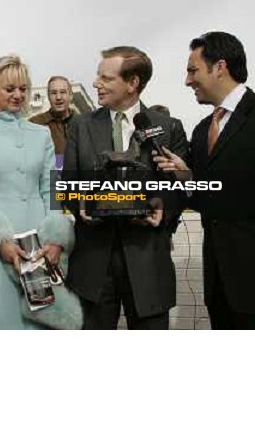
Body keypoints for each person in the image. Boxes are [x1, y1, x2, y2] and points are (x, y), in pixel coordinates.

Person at [154, 31, 255, 329]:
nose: (187, 80)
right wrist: (188, 179)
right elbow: (208, 200)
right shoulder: (203, 130)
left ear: (220, 67)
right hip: (219, 290)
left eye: (192, 70)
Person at [63, 46, 189, 330]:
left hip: (148, 266)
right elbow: (68, 185)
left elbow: (182, 189)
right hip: (93, 269)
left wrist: (163, 207)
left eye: (106, 78)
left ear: (132, 83)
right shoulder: (80, 127)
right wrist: (79, 201)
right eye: (98, 76)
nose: (97, 83)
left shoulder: (168, 128)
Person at [0, 55, 75, 329]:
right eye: (9, 89)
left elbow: (52, 188)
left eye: (23, 89)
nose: (17, 95)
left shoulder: (41, 134)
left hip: (38, 252)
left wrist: (56, 240)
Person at [29, 75, 77, 163]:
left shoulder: (83, 124)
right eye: (54, 93)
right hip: (49, 175)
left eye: (63, 92)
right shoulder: (35, 124)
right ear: (48, 97)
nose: (58, 97)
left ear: (70, 96)